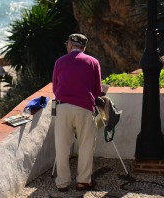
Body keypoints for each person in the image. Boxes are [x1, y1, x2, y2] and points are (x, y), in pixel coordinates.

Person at [52, 33, 103, 192]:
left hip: (63, 107)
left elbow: (55, 88)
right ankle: (83, 181)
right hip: (85, 108)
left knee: (62, 146)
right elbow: (98, 90)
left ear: (70, 45)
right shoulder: (93, 62)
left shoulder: (60, 61)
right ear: (84, 47)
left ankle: (62, 183)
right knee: (86, 145)